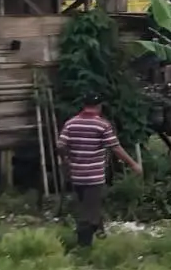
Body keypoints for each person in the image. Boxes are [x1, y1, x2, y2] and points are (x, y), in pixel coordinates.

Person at [56, 94, 142, 247]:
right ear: (99, 106)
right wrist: (133, 164)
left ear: (84, 105)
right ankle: (84, 245)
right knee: (89, 212)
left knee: (87, 205)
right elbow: (115, 147)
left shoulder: (71, 123)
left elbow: (61, 145)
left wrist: (67, 159)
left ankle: (99, 233)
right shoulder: (102, 125)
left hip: (76, 174)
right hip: (93, 176)